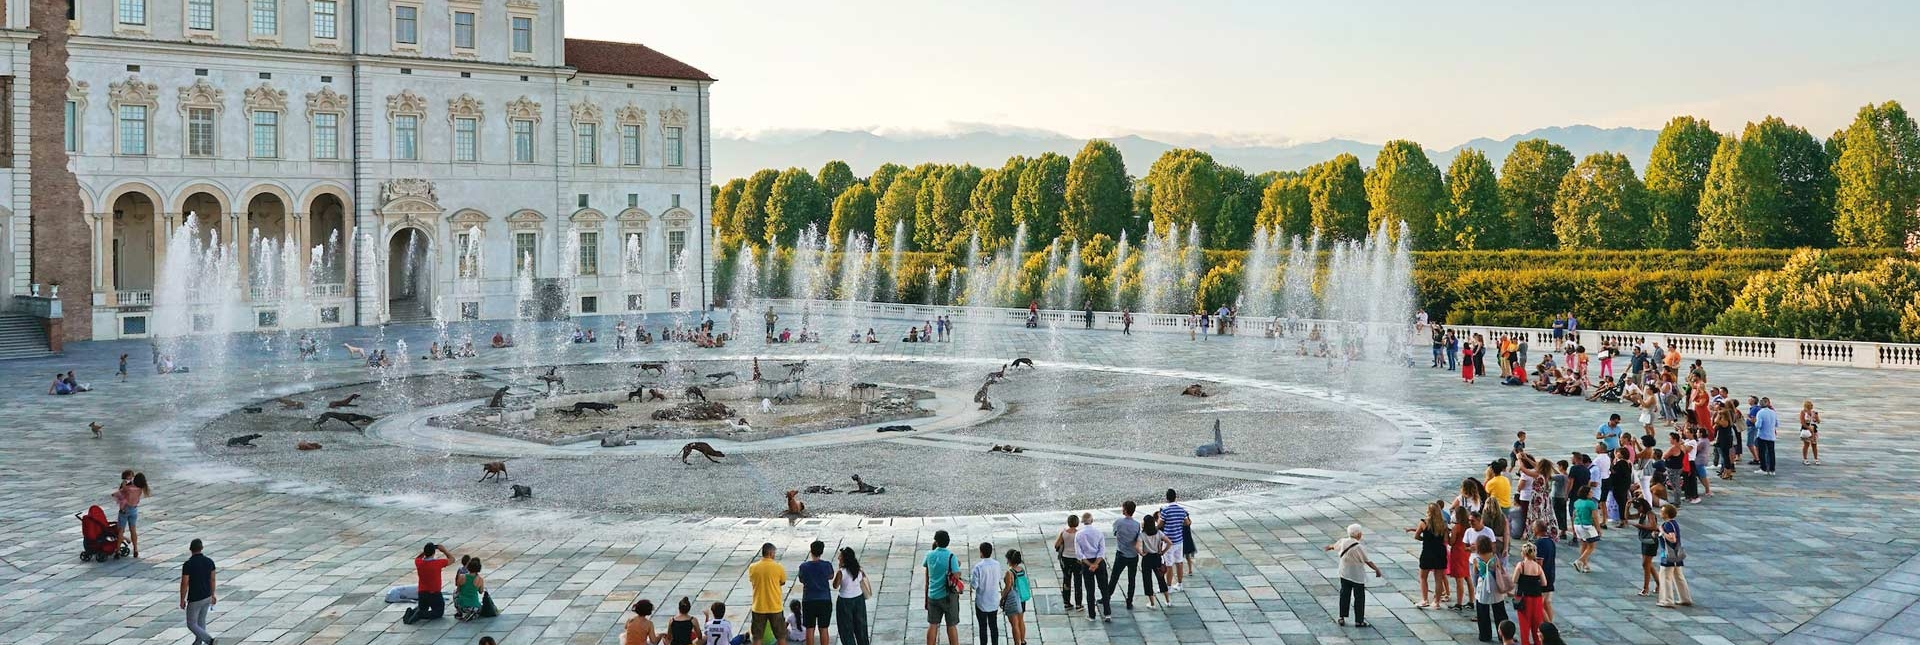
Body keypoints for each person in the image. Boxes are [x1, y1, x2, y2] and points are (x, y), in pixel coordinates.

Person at [1327, 523, 1382, 627]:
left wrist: (1329, 547)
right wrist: (1376, 570)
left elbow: (1334, 546)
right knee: (1359, 597)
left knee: (1344, 594)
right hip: (1357, 576)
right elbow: (1367, 561)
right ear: (1358, 534)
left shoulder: (1343, 541)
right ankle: (1359, 620)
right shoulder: (1359, 547)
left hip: (1344, 573)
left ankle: (1341, 617)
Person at [923, 530, 961, 645]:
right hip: (948, 596)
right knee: (951, 625)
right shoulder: (951, 556)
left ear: (936, 541)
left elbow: (927, 569)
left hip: (933, 595)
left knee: (933, 625)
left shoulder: (929, 555)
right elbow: (956, 575)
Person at [1472, 537, 1511, 643]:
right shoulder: (1495, 557)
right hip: (1495, 587)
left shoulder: (1476, 559)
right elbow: (1500, 569)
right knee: (1500, 611)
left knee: (1482, 612)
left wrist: (1475, 587)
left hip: (1483, 587)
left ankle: (1485, 635)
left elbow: (1475, 575)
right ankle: (1503, 635)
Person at [1411, 501, 1450, 609]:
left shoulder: (1423, 522)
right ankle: (1436, 602)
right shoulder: (1444, 523)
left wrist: (1425, 539)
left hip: (1427, 551)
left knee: (1423, 577)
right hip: (1440, 552)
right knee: (1438, 578)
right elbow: (1446, 540)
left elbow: (1416, 536)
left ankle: (1424, 600)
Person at [403, 543, 454, 624]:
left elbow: (418, 557)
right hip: (434, 594)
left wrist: (425, 552)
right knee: (438, 612)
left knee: (423, 608)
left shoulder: (419, 563)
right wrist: (444, 550)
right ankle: (420, 614)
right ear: (434, 553)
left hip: (422, 593)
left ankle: (413, 612)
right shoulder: (438, 563)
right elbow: (452, 559)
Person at [747, 543, 787, 645]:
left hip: (759, 606)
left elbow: (752, 580)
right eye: (774, 553)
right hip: (775, 606)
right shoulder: (778, 567)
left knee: (757, 637)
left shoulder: (753, 567)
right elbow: (782, 582)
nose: (774, 555)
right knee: (781, 636)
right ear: (770, 553)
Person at [796, 541, 833, 645]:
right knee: (824, 628)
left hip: (809, 600)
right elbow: (831, 576)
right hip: (824, 599)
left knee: (810, 629)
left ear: (811, 551)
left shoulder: (804, 566)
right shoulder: (826, 565)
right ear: (822, 552)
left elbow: (801, 580)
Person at [1075, 511, 1111, 621]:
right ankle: (1107, 613)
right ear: (1092, 520)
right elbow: (1102, 550)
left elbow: (1079, 553)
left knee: (1090, 590)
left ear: (1082, 522)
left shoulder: (1079, 534)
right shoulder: (1099, 533)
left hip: (1087, 564)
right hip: (1099, 562)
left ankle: (1092, 615)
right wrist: (1096, 564)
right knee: (1104, 588)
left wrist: (1090, 565)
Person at [180, 538, 217, 645]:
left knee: (191, 623)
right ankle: (198, 642)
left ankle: (209, 640)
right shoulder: (210, 562)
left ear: (190, 549)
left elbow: (184, 583)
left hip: (195, 597)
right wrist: (213, 594)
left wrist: (182, 599)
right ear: (201, 548)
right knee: (201, 621)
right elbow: (213, 579)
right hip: (207, 596)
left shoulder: (188, 564)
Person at [1656, 504, 1693, 608]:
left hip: (1668, 554)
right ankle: (1685, 598)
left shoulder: (1667, 525)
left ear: (1666, 514)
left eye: (1662, 511)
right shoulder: (1674, 523)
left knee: (1665, 577)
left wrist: (1662, 532)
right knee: (1679, 576)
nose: (1660, 513)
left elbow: (1672, 539)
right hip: (1677, 553)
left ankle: (1667, 600)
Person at [833, 548, 872, 645]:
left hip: (845, 601)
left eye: (840, 556)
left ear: (845, 558)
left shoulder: (841, 572)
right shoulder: (859, 570)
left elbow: (835, 585)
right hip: (859, 599)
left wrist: (839, 569)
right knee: (861, 627)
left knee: (846, 628)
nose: (838, 558)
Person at [1511, 542, 1547, 645]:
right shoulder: (1538, 567)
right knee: (1537, 623)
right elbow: (1544, 583)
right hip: (1536, 598)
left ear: (1523, 553)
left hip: (1523, 597)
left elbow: (1514, 580)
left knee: (1524, 625)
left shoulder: (1520, 565)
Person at [1109, 501, 1142, 610]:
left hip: (1121, 554)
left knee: (1114, 576)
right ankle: (1129, 601)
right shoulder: (1137, 524)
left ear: (1125, 510)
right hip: (1133, 555)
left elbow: (1115, 533)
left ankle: (1107, 596)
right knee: (1131, 579)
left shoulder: (1118, 522)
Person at [970, 543, 1002, 644]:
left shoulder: (978, 567)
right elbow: (999, 579)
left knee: (982, 627)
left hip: (982, 602)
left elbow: (974, 585)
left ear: (981, 552)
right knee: (994, 626)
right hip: (993, 601)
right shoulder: (997, 564)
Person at [1160, 489, 1192, 590]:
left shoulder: (1165, 510)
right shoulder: (1181, 509)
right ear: (1175, 497)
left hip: (1169, 541)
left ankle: (1168, 587)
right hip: (1179, 540)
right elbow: (1187, 523)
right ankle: (1180, 584)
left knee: (1169, 565)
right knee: (1179, 562)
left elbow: (1160, 524)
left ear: (1167, 498)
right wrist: (1178, 523)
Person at [1138, 514, 1171, 608]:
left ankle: (1152, 603)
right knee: (1160, 578)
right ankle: (1167, 600)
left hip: (1147, 558)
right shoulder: (1159, 533)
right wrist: (1163, 552)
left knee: (1147, 580)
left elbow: (1137, 546)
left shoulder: (1142, 535)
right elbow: (1169, 542)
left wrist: (1141, 553)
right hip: (1156, 557)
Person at [1628, 498, 1659, 598]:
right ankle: (1659, 584)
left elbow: (1653, 527)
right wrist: (1626, 507)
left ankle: (1646, 588)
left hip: (1651, 541)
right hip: (1644, 540)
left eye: (1639, 508)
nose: (1638, 510)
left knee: (1645, 564)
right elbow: (1627, 517)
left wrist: (1640, 526)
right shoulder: (1641, 514)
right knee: (1648, 564)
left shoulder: (1650, 514)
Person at [1051, 515, 1082, 611]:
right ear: (1077, 523)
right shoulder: (1079, 534)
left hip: (1065, 558)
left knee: (1066, 580)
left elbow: (1056, 545)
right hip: (1077, 560)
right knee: (1078, 581)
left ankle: (1067, 603)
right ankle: (1078, 604)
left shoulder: (1063, 533)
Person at [115, 472, 149, 557]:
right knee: (133, 530)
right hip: (134, 510)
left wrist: (124, 482)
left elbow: (122, 489)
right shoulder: (140, 489)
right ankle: (135, 549)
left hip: (125, 510)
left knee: (121, 530)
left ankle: (118, 550)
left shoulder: (129, 489)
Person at [1000, 550, 1031, 644]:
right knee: (1021, 620)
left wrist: (1002, 598)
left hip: (1013, 599)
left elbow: (1008, 587)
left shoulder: (1009, 572)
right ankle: (1022, 640)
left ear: (1009, 560)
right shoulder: (1021, 569)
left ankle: (1017, 643)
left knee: (1014, 624)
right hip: (1021, 598)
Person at [1569, 484, 1601, 572]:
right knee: (1591, 546)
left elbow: (1574, 514)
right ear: (1586, 494)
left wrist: (1572, 528)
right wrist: (1598, 529)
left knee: (1584, 544)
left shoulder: (1577, 502)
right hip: (1587, 526)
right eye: (1590, 492)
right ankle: (1580, 561)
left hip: (1577, 525)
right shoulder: (1591, 503)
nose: (1592, 493)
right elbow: (1595, 517)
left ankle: (1585, 565)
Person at [1801, 400, 1821, 465]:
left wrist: (1816, 417)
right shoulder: (1803, 412)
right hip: (1806, 430)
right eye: (1810, 405)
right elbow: (1802, 422)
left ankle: (1816, 459)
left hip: (1814, 430)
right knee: (1806, 445)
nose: (1811, 406)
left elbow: (1818, 421)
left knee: (1814, 445)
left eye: (1811, 405)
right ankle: (1805, 459)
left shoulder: (1814, 412)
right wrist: (1809, 428)